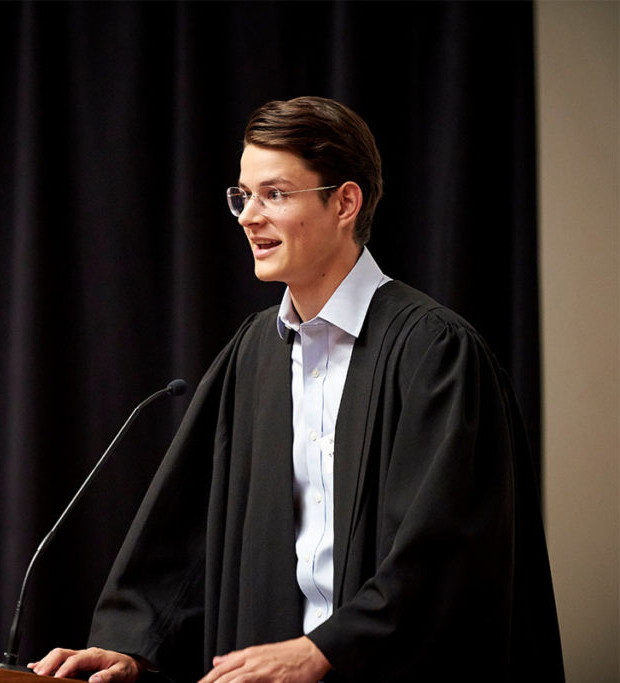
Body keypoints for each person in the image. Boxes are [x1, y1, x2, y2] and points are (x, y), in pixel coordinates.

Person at [29, 97, 563, 682]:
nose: (248, 216)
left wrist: (325, 650)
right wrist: (135, 645)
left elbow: (446, 553)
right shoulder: (253, 353)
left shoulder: (432, 352)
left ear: (345, 202)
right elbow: (190, 543)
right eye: (243, 195)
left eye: (275, 194)